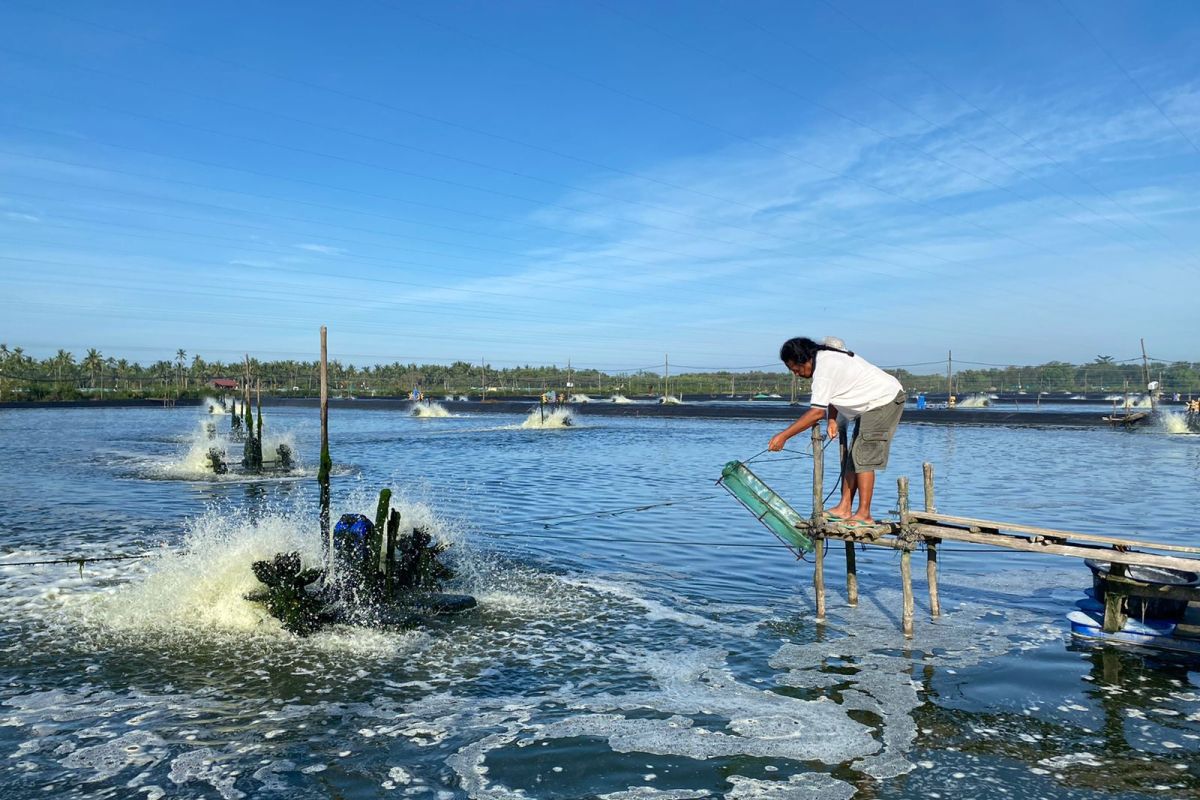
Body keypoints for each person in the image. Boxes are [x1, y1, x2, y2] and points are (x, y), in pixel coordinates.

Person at [768, 337, 905, 526]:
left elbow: (815, 413)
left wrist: (783, 436)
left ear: (803, 359)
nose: (797, 374)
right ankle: (844, 508)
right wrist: (832, 418)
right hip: (870, 404)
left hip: (884, 400)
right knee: (853, 457)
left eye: (795, 369)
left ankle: (864, 514)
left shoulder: (824, 370)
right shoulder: (824, 360)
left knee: (863, 457)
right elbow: (835, 392)